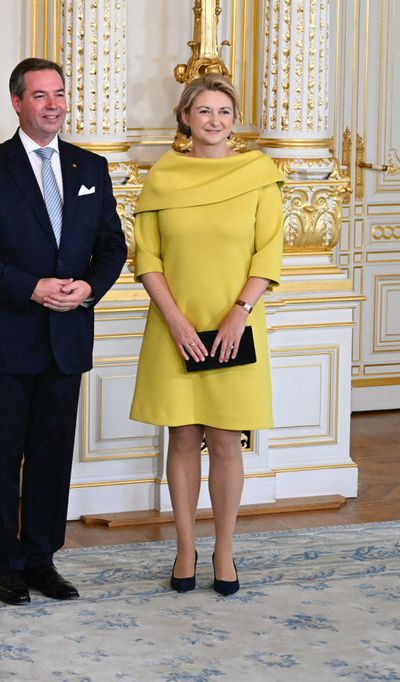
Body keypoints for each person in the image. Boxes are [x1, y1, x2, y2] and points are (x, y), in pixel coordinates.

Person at [0, 58, 127, 606]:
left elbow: (113, 246)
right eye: (41, 95)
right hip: (3, 338)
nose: (53, 105)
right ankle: (6, 563)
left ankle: (43, 558)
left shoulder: (89, 168)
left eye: (59, 94)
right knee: (4, 457)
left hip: (66, 337)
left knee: (51, 454)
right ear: (17, 103)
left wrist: (88, 288)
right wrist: (31, 287)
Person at [129, 74, 284, 596]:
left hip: (235, 323)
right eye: (204, 111)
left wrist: (240, 312)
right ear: (185, 118)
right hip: (174, 324)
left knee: (224, 439)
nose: (214, 120)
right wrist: (175, 321)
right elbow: (147, 258)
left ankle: (223, 549)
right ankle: (184, 547)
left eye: (224, 111)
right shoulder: (162, 177)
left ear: (232, 120)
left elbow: (268, 253)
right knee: (181, 436)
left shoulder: (259, 174)